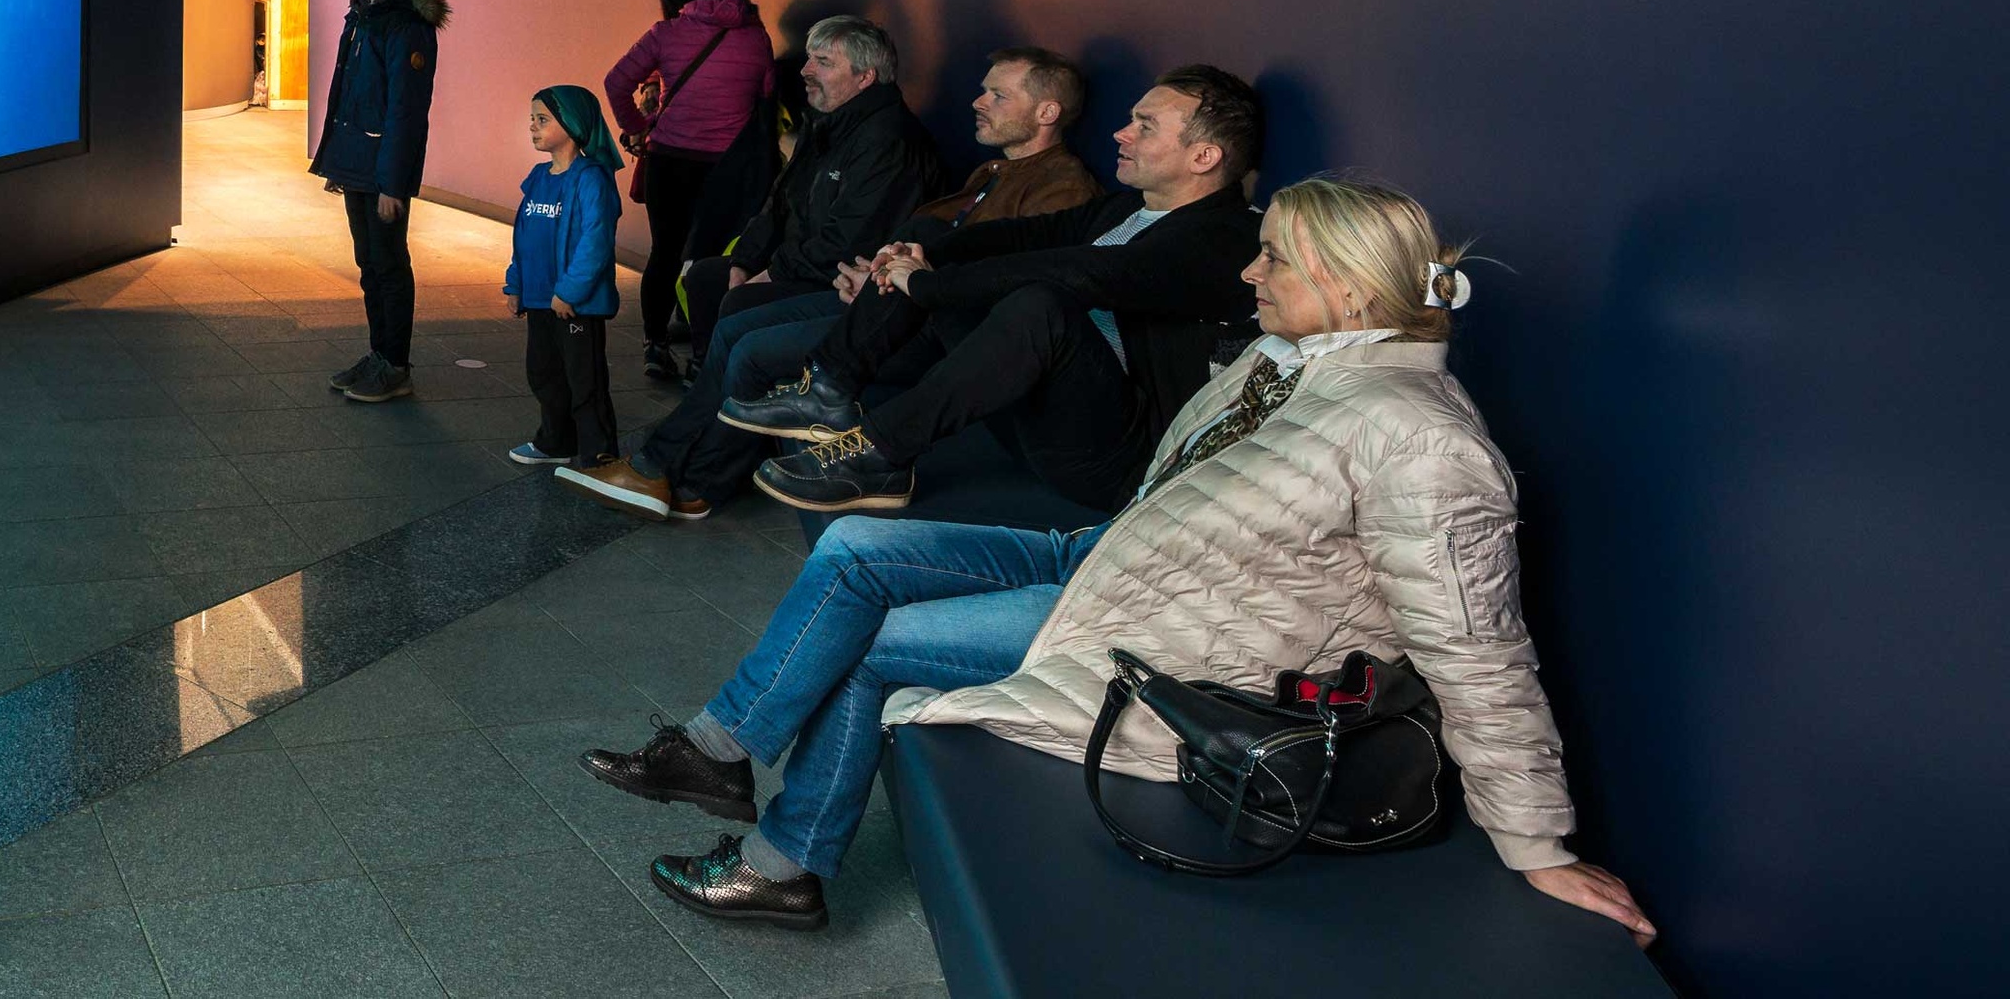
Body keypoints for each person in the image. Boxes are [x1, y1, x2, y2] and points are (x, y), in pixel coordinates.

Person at [581, 177, 1656, 952]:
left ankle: (779, 868)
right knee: (858, 544)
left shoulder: (1419, 437)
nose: (1248, 269)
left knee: (878, 649)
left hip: (1175, 651)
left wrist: (1535, 844)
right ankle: (716, 751)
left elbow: (1475, 646)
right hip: (1113, 566)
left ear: (1342, 283)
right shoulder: (1292, 366)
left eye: (1273, 255)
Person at [734, 65, 1268, 513]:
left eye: (1145, 127)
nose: (1120, 134)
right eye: (1130, 120)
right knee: (931, 238)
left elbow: (1082, 273)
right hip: (1043, 411)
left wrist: (927, 283)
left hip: (1118, 458)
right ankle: (828, 387)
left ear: (1204, 157)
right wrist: (923, 255)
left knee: (1041, 303)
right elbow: (1026, 237)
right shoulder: (1131, 207)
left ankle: (879, 456)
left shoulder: (1227, 236)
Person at [552, 17, 941, 518]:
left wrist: (772, 272)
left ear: (866, 77)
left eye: (823, 62)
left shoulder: (889, 141)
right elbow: (780, 203)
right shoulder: (833, 123)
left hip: (852, 286)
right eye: (809, 58)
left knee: (741, 327)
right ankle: (686, 452)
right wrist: (746, 258)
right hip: (816, 268)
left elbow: (851, 242)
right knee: (711, 279)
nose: (805, 70)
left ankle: (691, 475)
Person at [605, 0, 775, 387]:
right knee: (713, 257)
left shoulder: (666, 33)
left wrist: (638, 126)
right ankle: (705, 351)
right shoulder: (756, 36)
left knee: (665, 252)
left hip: (671, 162)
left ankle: (655, 346)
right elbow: (767, 94)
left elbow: (616, 81)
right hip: (728, 167)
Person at [312, 0, 446, 404]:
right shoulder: (363, 14)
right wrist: (339, 165)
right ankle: (379, 355)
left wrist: (392, 184)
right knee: (369, 263)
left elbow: (405, 113)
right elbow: (349, 96)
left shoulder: (406, 25)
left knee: (388, 264)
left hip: (383, 170)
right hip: (359, 163)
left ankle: (395, 364)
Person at [504, 85, 626, 469]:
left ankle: (598, 454)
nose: (533, 127)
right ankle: (555, 441)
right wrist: (516, 283)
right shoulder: (539, 176)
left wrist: (569, 292)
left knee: (584, 380)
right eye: (532, 119)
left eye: (543, 120)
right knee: (543, 372)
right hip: (540, 300)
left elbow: (596, 241)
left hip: (575, 307)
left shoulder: (592, 179)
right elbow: (522, 234)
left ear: (571, 124)